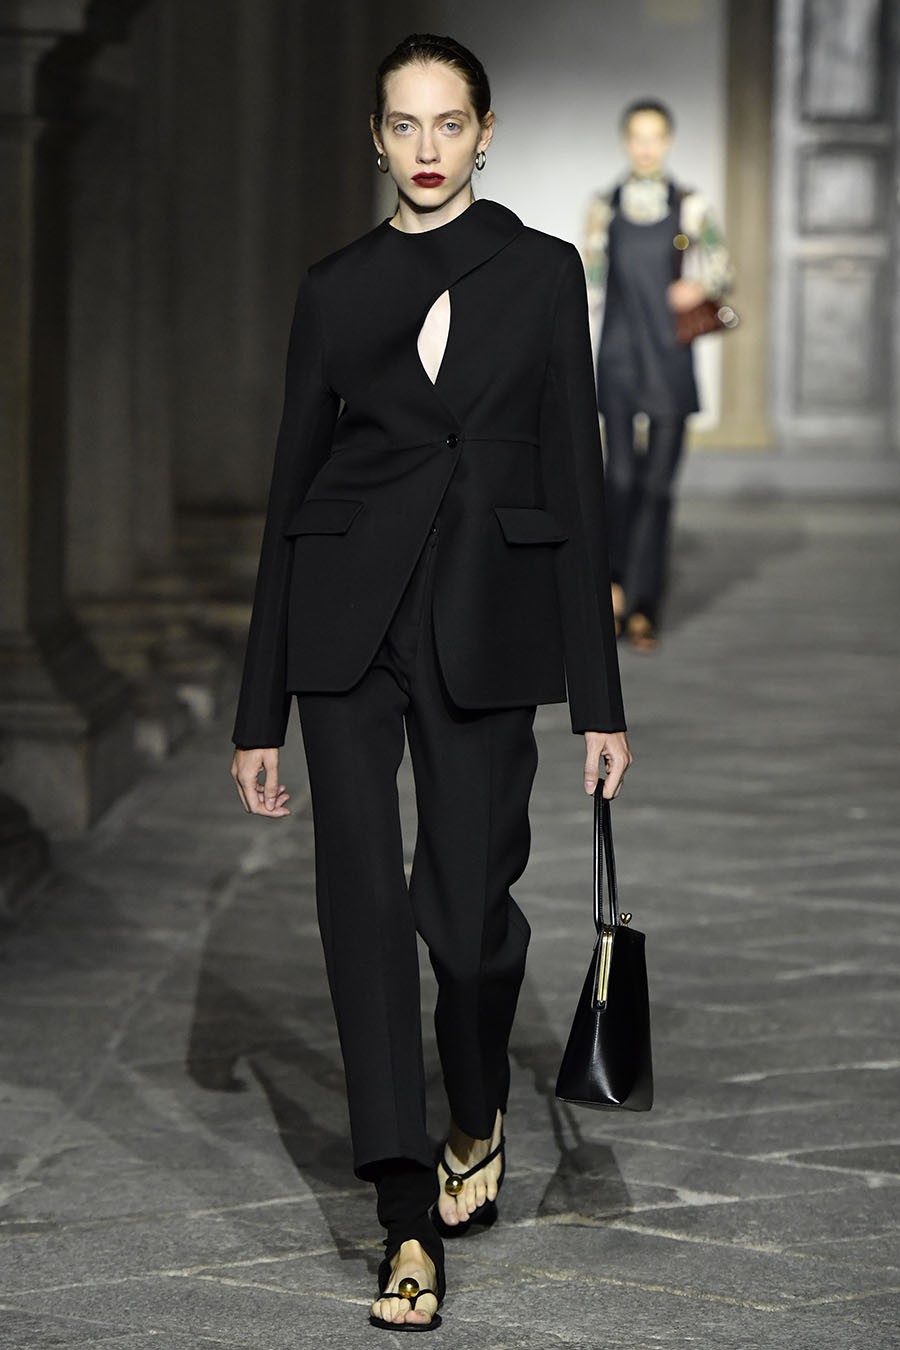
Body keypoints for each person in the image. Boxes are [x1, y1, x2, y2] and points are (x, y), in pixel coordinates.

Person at [230, 34, 631, 1332]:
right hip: (346, 621)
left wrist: (601, 697)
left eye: (447, 123)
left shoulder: (541, 272)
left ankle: (477, 1106)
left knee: (466, 919)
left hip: (488, 616)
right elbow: (290, 490)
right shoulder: (338, 288)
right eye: (402, 124)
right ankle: (404, 1215)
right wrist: (257, 710)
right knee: (360, 904)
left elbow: (575, 476)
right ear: (375, 135)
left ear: (485, 132)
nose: (424, 148)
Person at [584, 99, 734, 650]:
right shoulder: (604, 207)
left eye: (655, 136)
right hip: (620, 355)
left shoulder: (690, 205)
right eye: (637, 136)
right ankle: (615, 590)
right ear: (626, 141)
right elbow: (590, 282)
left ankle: (646, 604)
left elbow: (723, 267)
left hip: (669, 357)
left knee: (657, 485)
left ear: (668, 141)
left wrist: (700, 285)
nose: (646, 147)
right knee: (619, 479)